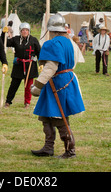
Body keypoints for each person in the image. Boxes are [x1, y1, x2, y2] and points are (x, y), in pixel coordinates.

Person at [30, 13, 85, 159]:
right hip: (63, 79)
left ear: (51, 29)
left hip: (58, 82)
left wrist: (38, 86)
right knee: (46, 115)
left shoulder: (54, 43)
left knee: (59, 117)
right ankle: (48, 148)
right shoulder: (69, 41)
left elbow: (50, 67)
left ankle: (70, 150)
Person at [3, 22, 41, 108]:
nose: (25, 32)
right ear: (20, 31)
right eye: (23, 30)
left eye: (26, 30)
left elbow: (39, 53)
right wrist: (3, 32)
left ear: (29, 31)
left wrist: (41, 64)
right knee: (14, 85)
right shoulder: (16, 39)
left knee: (29, 86)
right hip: (19, 66)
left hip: (30, 66)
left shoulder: (33, 40)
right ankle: (8, 101)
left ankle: (27, 102)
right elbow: (4, 42)